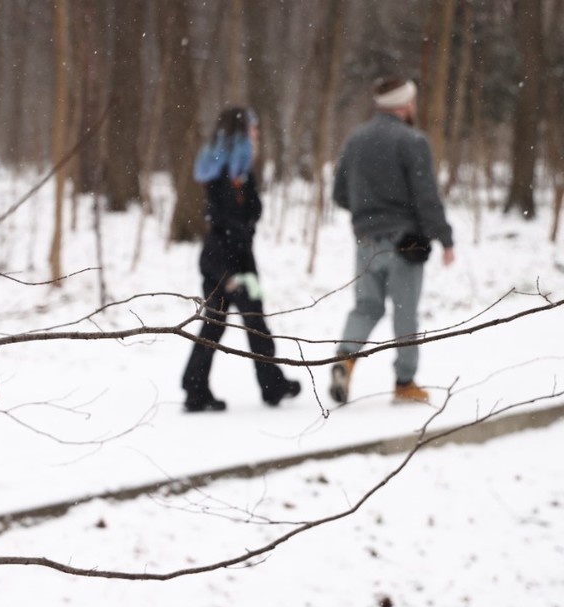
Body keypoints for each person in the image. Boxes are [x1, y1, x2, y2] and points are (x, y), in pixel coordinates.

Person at [329, 76, 456, 405]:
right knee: (405, 313)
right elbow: (426, 196)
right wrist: (445, 237)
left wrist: (366, 213)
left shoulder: (355, 140)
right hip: (405, 243)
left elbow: (339, 194)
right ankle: (405, 382)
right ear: (406, 104)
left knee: (366, 306)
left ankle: (345, 360)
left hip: (365, 241)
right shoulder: (412, 141)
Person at [181, 106, 301, 412]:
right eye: (253, 128)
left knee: (222, 324)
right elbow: (223, 223)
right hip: (227, 263)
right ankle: (266, 385)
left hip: (235, 260)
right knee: (244, 323)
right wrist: (228, 273)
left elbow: (248, 215)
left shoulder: (239, 172)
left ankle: (198, 387)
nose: (257, 134)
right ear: (241, 132)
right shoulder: (223, 175)